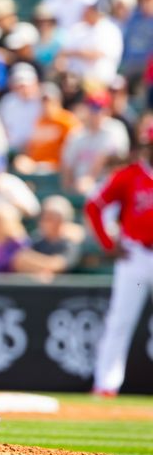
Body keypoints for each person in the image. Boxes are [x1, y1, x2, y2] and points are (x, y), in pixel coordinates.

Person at [85, 123, 153, 397]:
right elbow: (94, 205)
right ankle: (105, 385)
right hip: (134, 254)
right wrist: (108, 243)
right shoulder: (128, 175)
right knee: (119, 321)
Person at [12, 195, 82, 280]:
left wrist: (37, 264)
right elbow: (20, 260)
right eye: (43, 218)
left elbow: (58, 265)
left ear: (60, 220)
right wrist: (43, 270)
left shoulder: (69, 243)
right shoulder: (37, 240)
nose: (43, 222)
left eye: (49, 218)